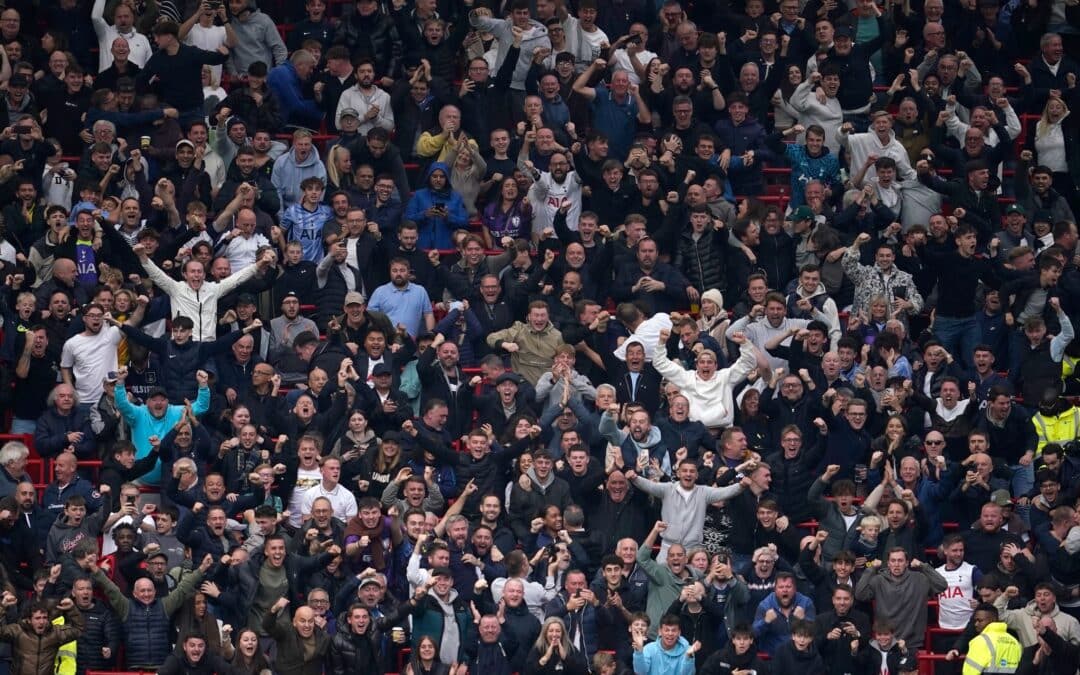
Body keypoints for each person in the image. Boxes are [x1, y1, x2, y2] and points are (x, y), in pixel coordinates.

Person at [631, 613, 700, 675]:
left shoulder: (687, 649)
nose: (670, 634)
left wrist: (688, 656)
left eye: (674, 630)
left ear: (679, 633)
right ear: (660, 632)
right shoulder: (649, 649)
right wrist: (639, 652)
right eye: (667, 630)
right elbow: (640, 673)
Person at [962, 604, 1022, 675]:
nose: (976, 624)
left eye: (980, 620)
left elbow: (970, 672)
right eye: (975, 621)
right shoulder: (1014, 641)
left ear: (993, 620)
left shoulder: (980, 641)